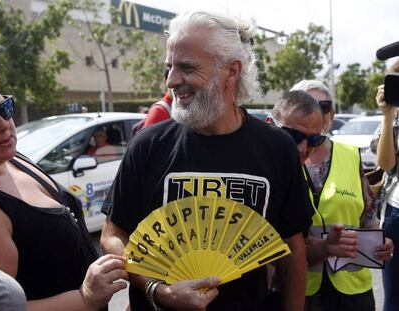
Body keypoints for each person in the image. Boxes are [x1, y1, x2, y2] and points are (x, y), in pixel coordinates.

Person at [101, 11, 312, 311]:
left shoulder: (277, 149)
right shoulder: (148, 145)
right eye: (169, 67)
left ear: (231, 71)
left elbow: (292, 250)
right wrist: (158, 290)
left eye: (187, 67)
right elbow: (113, 234)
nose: (172, 80)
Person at [0, 70, 129, 310]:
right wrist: (85, 297)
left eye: (4, 109)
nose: (2, 124)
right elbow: (3, 307)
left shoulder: (11, 158)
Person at [286, 80, 393, 311]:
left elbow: (368, 215)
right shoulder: (280, 161)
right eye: (304, 104)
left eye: (321, 106)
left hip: (351, 290)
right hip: (301, 287)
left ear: (331, 115)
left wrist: (381, 242)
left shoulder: (351, 156)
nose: (313, 111)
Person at [370, 59, 399, 311]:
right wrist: (388, 117)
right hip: (396, 213)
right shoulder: (395, 115)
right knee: (394, 295)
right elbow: (386, 163)